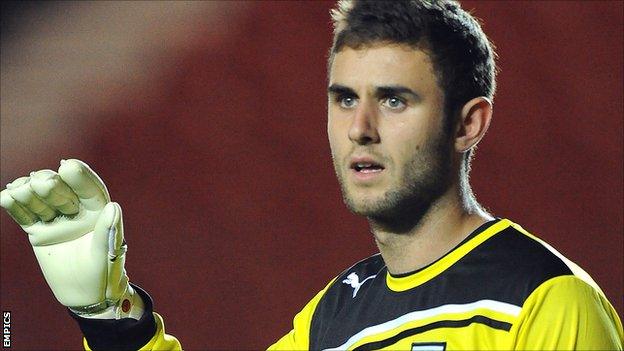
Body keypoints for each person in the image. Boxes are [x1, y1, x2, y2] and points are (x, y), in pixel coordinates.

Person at [1, 0, 622, 350]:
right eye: (344, 99)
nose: (361, 127)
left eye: (396, 100)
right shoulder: (332, 315)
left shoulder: (545, 301)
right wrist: (110, 318)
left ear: (468, 124)